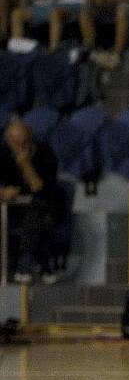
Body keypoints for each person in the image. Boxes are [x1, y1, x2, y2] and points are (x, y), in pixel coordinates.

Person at [0, 121, 65, 284]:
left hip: (46, 207)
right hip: (14, 209)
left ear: (29, 139)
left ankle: (25, 263)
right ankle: (42, 266)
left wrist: (25, 164)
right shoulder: (3, 154)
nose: (19, 147)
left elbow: (40, 188)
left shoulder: (44, 154)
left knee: (36, 216)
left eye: (23, 143)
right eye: (15, 144)